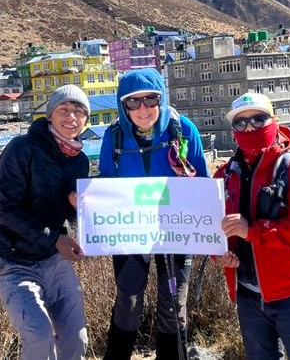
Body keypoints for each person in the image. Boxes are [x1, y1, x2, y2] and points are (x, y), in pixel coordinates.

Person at [97, 67, 208, 360]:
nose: (143, 108)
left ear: (162, 98)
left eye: (151, 99)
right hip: (131, 232)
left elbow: (204, 187)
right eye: (134, 102)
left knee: (174, 304)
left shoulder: (183, 130)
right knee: (129, 302)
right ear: (123, 104)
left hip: (176, 230)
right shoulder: (114, 138)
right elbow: (106, 185)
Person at [0, 84, 91, 360]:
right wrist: (56, 239)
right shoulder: (21, 149)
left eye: (79, 112)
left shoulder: (79, 160)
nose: (71, 117)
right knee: (39, 336)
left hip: (52, 259)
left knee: (76, 337)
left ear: (86, 120)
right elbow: (6, 210)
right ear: (49, 115)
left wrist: (76, 209)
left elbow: (68, 211)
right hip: (12, 260)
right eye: (64, 110)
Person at [214, 91, 290, 360]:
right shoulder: (223, 175)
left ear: (273, 121)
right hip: (247, 293)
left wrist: (251, 231)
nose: (249, 127)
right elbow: (211, 225)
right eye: (241, 122)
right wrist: (219, 252)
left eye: (258, 119)